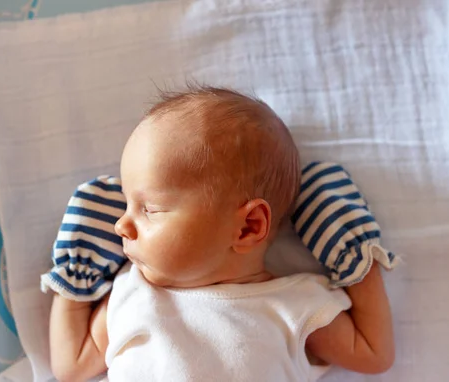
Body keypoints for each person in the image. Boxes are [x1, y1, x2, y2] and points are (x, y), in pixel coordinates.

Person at [46, 86, 395, 381]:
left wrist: (354, 253)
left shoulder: (293, 303)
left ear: (248, 227)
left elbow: (373, 354)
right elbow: (72, 365)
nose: (121, 225)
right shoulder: (132, 291)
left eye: (148, 209)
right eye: (125, 204)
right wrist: (78, 271)